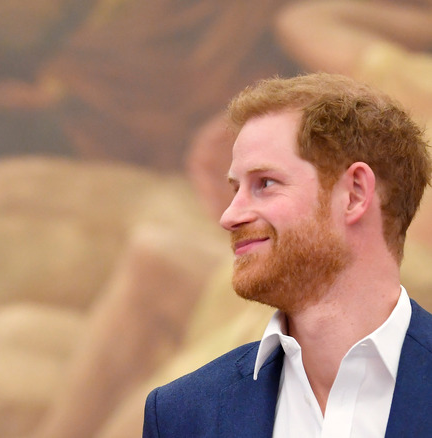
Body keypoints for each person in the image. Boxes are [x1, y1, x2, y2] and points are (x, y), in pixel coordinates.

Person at [143, 72, 432, 437]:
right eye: (235, 189)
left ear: (355, 193)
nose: (229, 216)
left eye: (264, 183)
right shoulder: (182, 414)